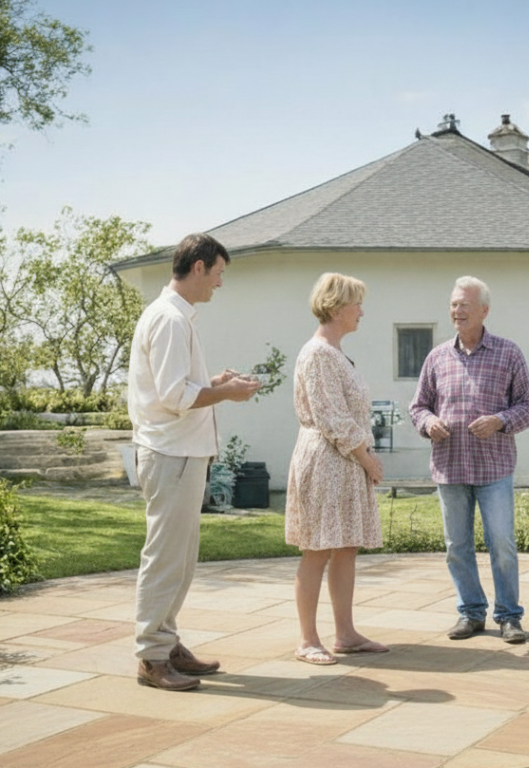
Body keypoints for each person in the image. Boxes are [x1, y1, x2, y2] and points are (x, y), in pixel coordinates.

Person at [128, 233, 261, 691]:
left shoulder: (176, 317)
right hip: (171, 454)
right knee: (165, 557)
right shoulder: (169, 319)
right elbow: (174, 396)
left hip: (181, 453)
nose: (220, 283)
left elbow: (179, 386)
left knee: (180, 559)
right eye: (219, 273)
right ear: (199, 267)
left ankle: (166, 642)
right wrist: (226, 392)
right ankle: (151, 656)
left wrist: (215, 381)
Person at [410, 276, 529, 644]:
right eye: (453, 304)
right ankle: (470, 613)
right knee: (457, 546)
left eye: (465, 304)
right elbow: (418, 406)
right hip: (450, 468)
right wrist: (428, 421)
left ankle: (510, 616)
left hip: (493, 468)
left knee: (501, 543)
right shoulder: (437, 357)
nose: (458, 310)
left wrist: (501, 421)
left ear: (484, 310)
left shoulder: (508, 353)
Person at [285, 272, 388, 665]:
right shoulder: (317, 354)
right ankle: (308, 639)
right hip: (327, 460)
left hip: (344, 462)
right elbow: (331, 418)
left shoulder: (336, 353)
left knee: (346, 547)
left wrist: (361, 458)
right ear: (336, 307)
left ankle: (345, 634)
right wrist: (367, 459)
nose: (362, 311)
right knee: (317, 548)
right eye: (357, 303)